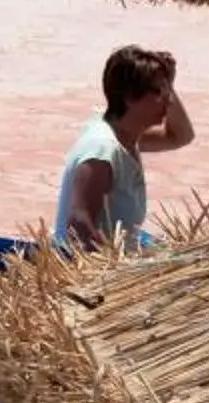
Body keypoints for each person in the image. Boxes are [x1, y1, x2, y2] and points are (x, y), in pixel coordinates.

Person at [54, 45, 194, 250]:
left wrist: (168, 85)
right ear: (129, 97)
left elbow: (180, 136)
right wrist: (114, 270)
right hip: (91, 265)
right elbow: (79, 224)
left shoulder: (127, 134)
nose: (168, 100)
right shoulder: (102, 150)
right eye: (157, 91)